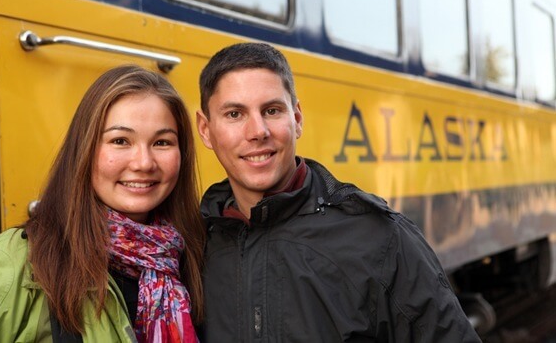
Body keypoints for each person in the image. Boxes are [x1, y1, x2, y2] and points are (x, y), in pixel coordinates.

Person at [195, 42, 482, 342]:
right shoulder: (196, 244)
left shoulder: (378, 238)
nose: (258, 131)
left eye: (272, 110)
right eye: (234, 114)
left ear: (297, 119)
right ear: (205, 129)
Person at [0, 65, 205, 342]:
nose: (143, 163)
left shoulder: (195, 260)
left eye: (161, 142)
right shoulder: (14, 264)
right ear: (85, 149)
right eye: (120, 140)